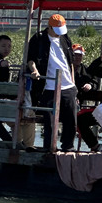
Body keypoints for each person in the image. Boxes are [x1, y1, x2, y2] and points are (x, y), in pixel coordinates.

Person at [26, 13, 78, 152]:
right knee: (49, 119)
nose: (58, 34)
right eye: (56, 30)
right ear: (49, 27)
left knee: (71, 119)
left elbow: (70, 62)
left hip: (67, 85)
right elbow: (30, 59)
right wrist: (34, 70)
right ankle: (49, 147)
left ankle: (68, 146)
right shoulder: (38, 39)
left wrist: (73, 83)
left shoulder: (65, 38)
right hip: (48, 86)